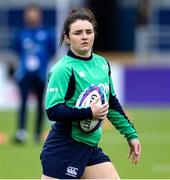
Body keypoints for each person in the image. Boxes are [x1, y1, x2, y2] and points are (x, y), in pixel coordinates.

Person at [40, 8, 141, 179]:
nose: (84, 36)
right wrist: (89, 112)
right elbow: (53, 110)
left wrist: (131, 135)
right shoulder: (63, 69)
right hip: (64, 149)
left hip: (90, 148)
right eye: (78, 33)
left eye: (88, 31)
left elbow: (111, 104)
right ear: (67, 38)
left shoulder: (102, 64)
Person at [12, 4, 56, 143]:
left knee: (40, 104)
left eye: (33, 14)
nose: (31, 17)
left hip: (40, 74)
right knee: (23, 102)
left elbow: (52, 51)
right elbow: (17, 50)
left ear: (39, 15)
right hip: (24, 74)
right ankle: (21, 132)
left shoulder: (47, 33)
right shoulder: (21, 33)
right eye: (29, 14)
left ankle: (37, 133)